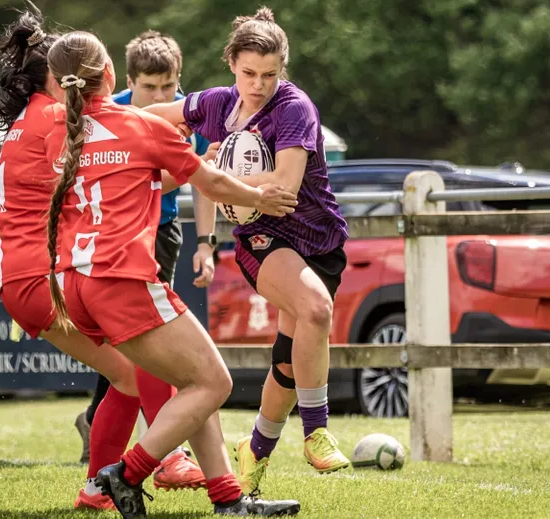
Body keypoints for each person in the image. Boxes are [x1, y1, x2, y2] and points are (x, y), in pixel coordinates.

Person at [43, 30, 302, 518]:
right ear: (115, 77)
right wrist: (261, 197)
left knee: (189, 380)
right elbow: (208, 180)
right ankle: (125, 473)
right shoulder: (140, 127)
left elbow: (144, 178)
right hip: (121, 280)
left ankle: (228, 499)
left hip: (71, 282)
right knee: (214, 383)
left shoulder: (60, 129)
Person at [0, 4, 195, 511]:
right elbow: (129, 125)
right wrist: (203, 109)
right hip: (44, 280)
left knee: (127, 372)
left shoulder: (34, 120)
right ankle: (166, 460)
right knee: (145, 362)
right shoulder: (55, 118)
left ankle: (98, 488)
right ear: (53, 81)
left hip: (24, 281)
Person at [144, 6, 351, 495]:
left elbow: (285, 186)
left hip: (320, 240)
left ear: (284, 68)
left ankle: (254, 453)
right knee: (316, 309)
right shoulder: (218, 103)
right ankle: (317, 430)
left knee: (286, 361)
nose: (257, 85)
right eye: (248, 74)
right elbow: (153, 113)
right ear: (231, 64)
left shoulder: (294, 107)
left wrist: (212, 178)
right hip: (264, 238)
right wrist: (109, 124)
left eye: (269, 75)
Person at [74, 29, 218, 493]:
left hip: (162, 233)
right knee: (140, 354)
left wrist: (207, 243)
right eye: (149, 87)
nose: (159, 96)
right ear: (127, 81)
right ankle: (164, 455)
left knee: (140, 353)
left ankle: (104, 440)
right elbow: (154, 180)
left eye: (168, 87)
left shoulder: (189, 115)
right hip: (113, 240)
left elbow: (202, 180)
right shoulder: (106, 114)